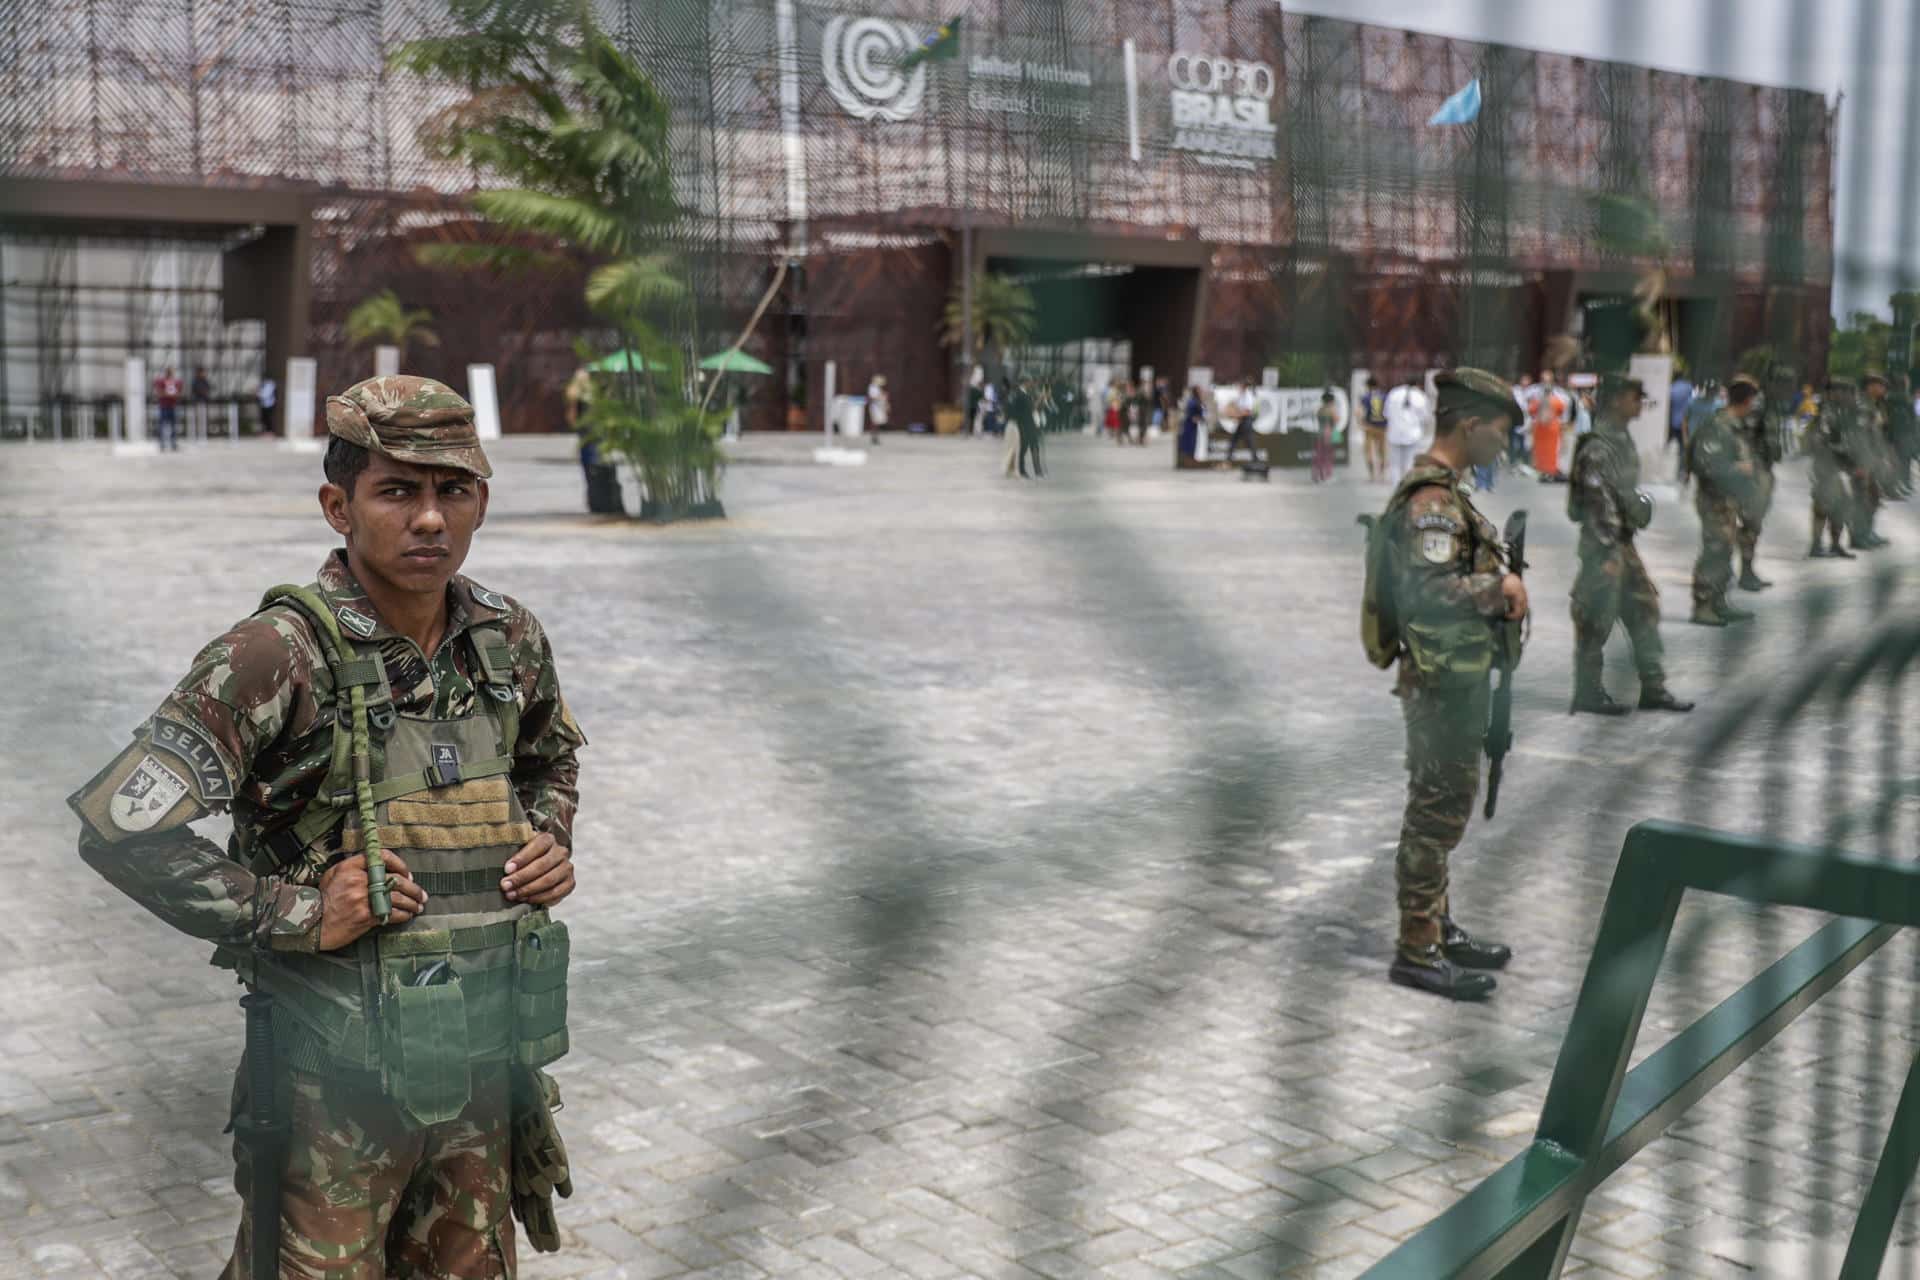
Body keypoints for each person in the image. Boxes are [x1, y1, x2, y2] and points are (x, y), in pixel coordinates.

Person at [67, 375, 586, 1276]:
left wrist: (547, 836)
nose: (430, 519)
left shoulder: (506, 639)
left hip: (483, 1065)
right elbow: (120, 831)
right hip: (333, 1087)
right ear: (338, 506)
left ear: (482, 502)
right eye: (398, 491)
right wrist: (299, 913)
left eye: (452, 491)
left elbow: (552, 758)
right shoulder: (273, 655)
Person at [1367, 368, 1526, 1001]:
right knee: (1435, 812)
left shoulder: (1449, 494)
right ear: (1469, 424)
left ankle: (1436, 923)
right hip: (1438, 683)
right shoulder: (1431, 501)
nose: (1502, 444)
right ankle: (1416, 948)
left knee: (1445, 802)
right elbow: (1426, 595)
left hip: (1454, 675)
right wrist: (1502, 588)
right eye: (1498, 432)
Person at [1567, 373, 1695, 716]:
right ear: (1616, 401)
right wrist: (1608, 552)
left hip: (1621, 544)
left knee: (1644, 608)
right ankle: (1588, 692)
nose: (1640, 403)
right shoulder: (1598, 445)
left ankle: (1653, 688)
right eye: (1634, 397)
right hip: (1604, 546)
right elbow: (1597, 501)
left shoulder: (1620, 439)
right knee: (1596, 619)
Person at [1687, 375, 1762, 626]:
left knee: (1725, 549)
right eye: (1753, 399)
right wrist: (1737, 469)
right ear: (1746, 399)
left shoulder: (1736, 425)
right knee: (1714, 549)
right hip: (1713, 499)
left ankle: (1718, 602)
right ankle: (1702, 605)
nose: (1755, 404)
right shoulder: (1718, 425)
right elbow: (1705, 464)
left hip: (1728, 499)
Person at [1808, 377, 1860, 559]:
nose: (1845, 395)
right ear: (1831, 393)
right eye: (1840, 391)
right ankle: (1816, 545)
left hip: (1838, 466)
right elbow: (1822, 441)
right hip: (1826, 465)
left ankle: (1835, 543)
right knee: (1823, 505)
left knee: (1843, 503)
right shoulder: (1826, 413)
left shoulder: (1842, 412)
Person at [1383, 375, 1429, 486]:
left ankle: (1395, 490)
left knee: (1394, 465)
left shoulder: (1393, 393)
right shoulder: (1420, 396)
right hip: (1412, 435)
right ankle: (1407, 489)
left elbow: (1386, 413)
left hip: (1395, 433)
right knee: (1410, 463)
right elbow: (1425, 417)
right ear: (1417, 384)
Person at [1529, 370, 1569, 481]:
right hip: (1540, 428)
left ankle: (1551, 471)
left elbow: (1563, 414)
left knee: (1552, 450)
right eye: (1543, 380)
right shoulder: (1533, 392)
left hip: (1553, 429)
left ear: (1552, 381)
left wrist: (1564, 429)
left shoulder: (1560, 395)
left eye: (1548, 380)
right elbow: (1530, 411)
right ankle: (1543, 471)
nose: (1546, 382)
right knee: (1541, 450)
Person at [1359, 376, 1389, 480]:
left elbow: (1360, 412)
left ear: (1368, 385)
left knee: (1368, 451)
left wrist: (1361, 423)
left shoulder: (1365, 397)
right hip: (1382, 427)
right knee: (1382, 451)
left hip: (1369, 427)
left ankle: (1371, 475)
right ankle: (1382, 475)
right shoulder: (1385, 396)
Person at [1013, 376, 1044, 478]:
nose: (1032, 385)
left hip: (1031, 425)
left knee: (1035, 447)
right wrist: (1039, 399)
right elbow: (1031, 408)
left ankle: (1038, 470)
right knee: (1023, 449)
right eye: (1030, 382)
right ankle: (1021, 470)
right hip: (1024, 426)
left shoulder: (1026, 394)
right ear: (1025, 383)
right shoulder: (1020, 395)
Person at [1224, 378, 1258, 460]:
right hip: (1242, 420)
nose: (1238, 388)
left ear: (1244, 386)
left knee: (1249, 441)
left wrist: (1236, 415)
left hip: (1246, 420)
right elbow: (1237, 407)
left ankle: (1255, 458)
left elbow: (1248, 411)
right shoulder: (1242, 396)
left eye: (1240, 386)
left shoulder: (1248, 395)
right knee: (1235, 440)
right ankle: (1228, 457)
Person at [153, 365, 184, 451]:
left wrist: (173, 395)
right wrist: (168, 394)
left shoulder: (175, 382)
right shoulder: (162, 381)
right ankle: (162, 444)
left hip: (172, 406)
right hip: (164, 406)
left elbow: (178, 392)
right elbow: (159, 392)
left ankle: (173, 443)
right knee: (162, 425)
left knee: (173, 426)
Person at [1312, 390, 1338, 482]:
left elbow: (1317, 419)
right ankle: (1327, 475)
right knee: (1328, 455)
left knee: (1319, 455)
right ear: (1331, 400)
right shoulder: (1331, 409)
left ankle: (1317, 474)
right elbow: (1336, 420)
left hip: (1319, 433)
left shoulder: (1320, 409)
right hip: (1329, 433)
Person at [1668, 369, 1693, 459]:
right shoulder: (1689, 387)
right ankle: (1681, 463)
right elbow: (1691, 402)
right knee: (1683, 445)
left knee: (1670, 444)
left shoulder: (1671, 387)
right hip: (1684, 421)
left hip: (1672, 421)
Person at [865, 373, 889, 445]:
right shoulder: (872, 387)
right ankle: (874, 437)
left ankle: (875, 437)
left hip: (878, 407)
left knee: (877, 422)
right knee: (875, 422)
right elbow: (872, 397)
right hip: (875, 407)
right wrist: (880, 396)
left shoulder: (877, 388)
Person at [192, 365, 214, 439]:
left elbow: (209, 388)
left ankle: (205, 434)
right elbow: (196, 390)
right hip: (198, 401)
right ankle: (199, 434)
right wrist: (203, 392)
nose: (203, 374)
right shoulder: (195, 381)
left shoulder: (205, 380)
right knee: (199, 419)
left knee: (205, 418)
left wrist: (206, 392)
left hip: (205, 401)